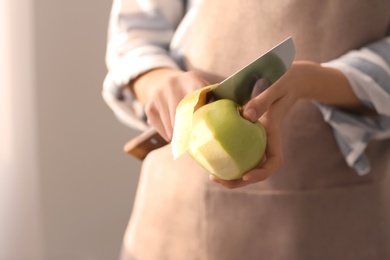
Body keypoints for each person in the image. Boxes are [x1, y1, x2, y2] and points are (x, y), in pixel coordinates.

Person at [103, 0, 390, 259]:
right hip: (183, 209)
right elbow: (135, 36)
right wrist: (158, 80)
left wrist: (315, 81)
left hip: (337, 217)